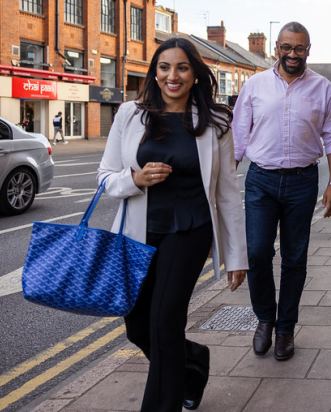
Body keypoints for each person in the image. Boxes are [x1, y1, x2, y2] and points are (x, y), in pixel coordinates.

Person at [98, 37, 247, 412]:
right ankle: (193, 361)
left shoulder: (215, 123)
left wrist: (237, 256)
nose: (172, 76)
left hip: (190, 229)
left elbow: (228, 192)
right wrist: (135, 179)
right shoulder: (130, 114)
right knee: (138, 327)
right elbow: (104, 177)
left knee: (165, 323)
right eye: (164, 67)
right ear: (155, 72)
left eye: (182, 67)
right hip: (139, 232)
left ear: (195, 74)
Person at [232, 21, 331, 361]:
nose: (292, 54)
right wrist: (222, 184)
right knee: (257, 253)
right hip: (261, 180)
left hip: (302, 181)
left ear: (308, 50)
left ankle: (285, 329)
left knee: (295, 258)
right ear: (276, 49)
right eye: (286, 47)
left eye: (299, 48)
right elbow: (238, 138)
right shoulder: (255, 85)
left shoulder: (324, 89)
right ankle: (265, 319)